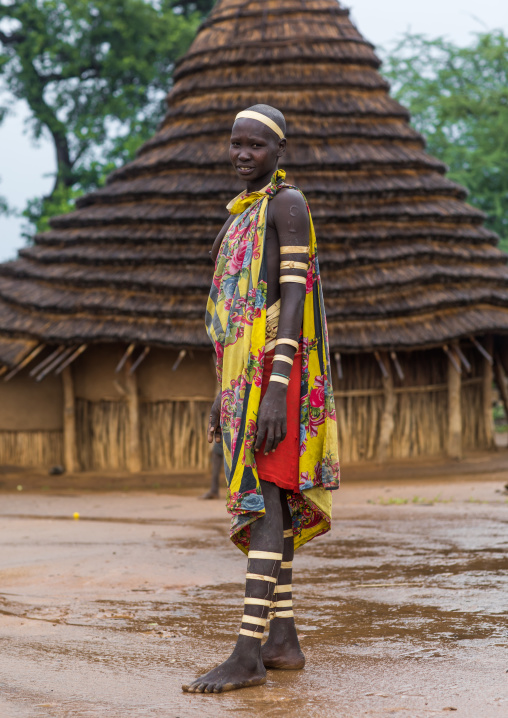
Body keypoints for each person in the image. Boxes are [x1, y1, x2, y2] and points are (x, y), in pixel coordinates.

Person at [182, 104, 340, 694]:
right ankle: (282, 639)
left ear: (279, 152)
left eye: (255, 146)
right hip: (241, 374)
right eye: (235, 145)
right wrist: (219, 393)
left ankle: (247, 654)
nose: (243, 155)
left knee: (268, 496)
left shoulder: (285, 205)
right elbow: (229, 317)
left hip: (278, 368)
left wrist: (277, 388)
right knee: (268, 493)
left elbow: (293, 300)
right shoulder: (237, 217)